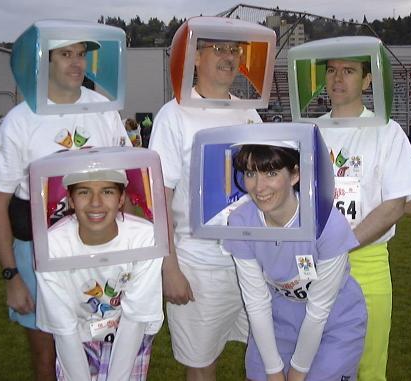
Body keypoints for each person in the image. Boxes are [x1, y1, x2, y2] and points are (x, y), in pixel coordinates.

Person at [0, 38, 130, 380]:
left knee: (103, 347)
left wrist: (133, 252)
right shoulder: (21, 119)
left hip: (98, 251)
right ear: (44, 62)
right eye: (65, 54)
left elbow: (129, 180)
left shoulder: (103, 110)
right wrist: (11, 277)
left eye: (80, 55)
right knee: (45, 353)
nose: (76, 62)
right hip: (37, 254)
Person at [149, 37, 262, 380]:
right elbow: (158, 196)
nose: (228, 57)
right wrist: (169, 267)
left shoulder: (249, 112)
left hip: (253, 262)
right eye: (218, 49)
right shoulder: (174, 115)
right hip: (199, 264)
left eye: (234, 50)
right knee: (200, 365)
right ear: (195, 58)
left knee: (265, 357)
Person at [319, 57, 411, 381]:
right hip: (315, 266)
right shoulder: (310, 130)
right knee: (315, 364)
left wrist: (343, 244)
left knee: (368, 366)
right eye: (331, 70)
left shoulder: (386, 131)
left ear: (367, 81)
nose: (338, 78)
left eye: (349, 70)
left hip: (368, 264)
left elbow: (394, 206)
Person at [224, 143, 367, 381]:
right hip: (280, 318)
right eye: (250, 173)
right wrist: (273, 371)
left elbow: (319, 309)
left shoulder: (328, 224)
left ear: (295, 174)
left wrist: (297, 373)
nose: (259, 187)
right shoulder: (241, 223)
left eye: (271, 173)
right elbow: (256, 301)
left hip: (335, 319)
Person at [36, 169, 163, 381]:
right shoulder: (52, 246)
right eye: (84, 192)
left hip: (130, 331)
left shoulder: (144, 238)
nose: (96, 202)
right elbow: (64, 326)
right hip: (77, 334)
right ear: (71, 200)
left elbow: (135, 316)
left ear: (121, 198)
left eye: (107, 192)